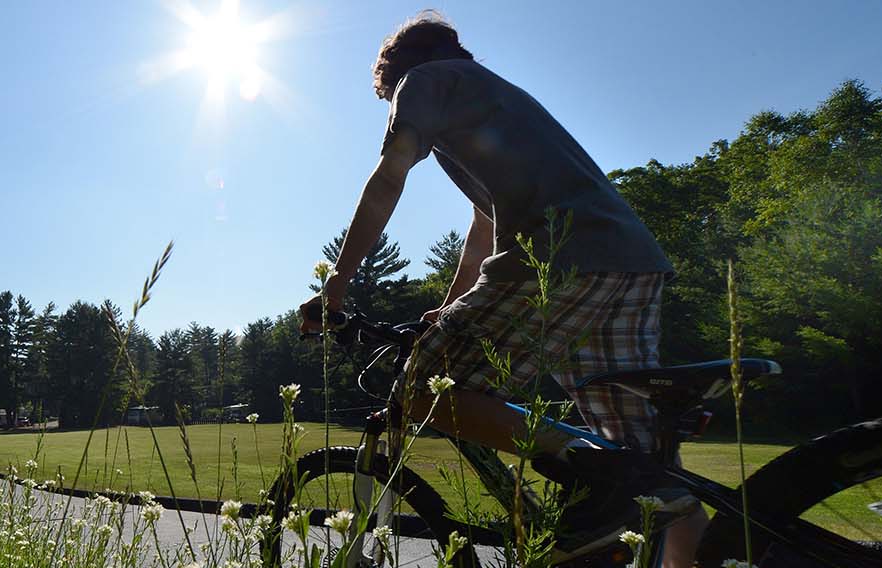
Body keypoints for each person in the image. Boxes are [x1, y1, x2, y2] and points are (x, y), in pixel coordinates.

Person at [298, 11, 707, 566]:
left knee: (427, 389)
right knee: (656, 481)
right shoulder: (499, 95)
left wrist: (336, 288)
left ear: (396, 75)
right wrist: (448, 307)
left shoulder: (422, 82)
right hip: (630, 264)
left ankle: (596, 470)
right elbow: (483, 227)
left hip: (556, 260)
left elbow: (389, 174)